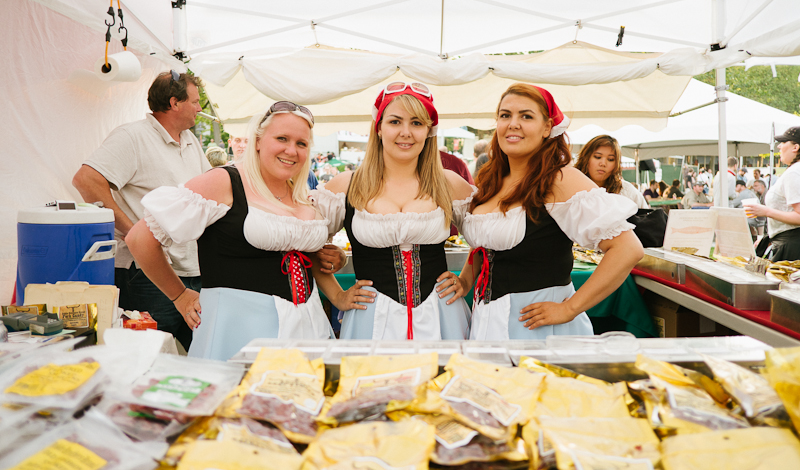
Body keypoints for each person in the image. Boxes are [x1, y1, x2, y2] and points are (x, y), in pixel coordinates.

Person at [125, 102, 355, 360]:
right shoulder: (224, 181)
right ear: (258, 140)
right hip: (239, 332)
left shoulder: (301, 195)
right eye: (282, 138)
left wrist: (334, 264)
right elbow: (140, 239)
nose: (291, 150)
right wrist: (179, 295)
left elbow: (299, 254)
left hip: (307, 327)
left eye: (301, 143)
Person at [452, 83, 643, 340]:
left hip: (537, 328)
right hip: (485, 320)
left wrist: (569, 309)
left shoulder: (559, 179)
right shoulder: (492, 181)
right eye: (505, 115)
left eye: (526, 116)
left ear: (547, 128)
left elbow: (627, 250)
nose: (513, 123)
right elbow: (487, 245)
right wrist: (465, 281)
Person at [311, 81, 474, 340]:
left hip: (441, 318)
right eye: (395, 121)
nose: (406, 132)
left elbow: (487, 240)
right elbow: (306, 246)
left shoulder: (450, 183)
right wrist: (337, 295)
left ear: (429, 131)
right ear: (379, 127)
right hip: (371, 320)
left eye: (417, 123)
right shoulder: (345, 185)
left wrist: (465, 279)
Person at [72, 71, 211, 350]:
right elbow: (86, 180)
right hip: (146, 273)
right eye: (195, 102)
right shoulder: (133, 136)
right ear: (174, 103)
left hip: (190, 270)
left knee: (193, 352)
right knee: (151, 355)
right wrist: (133, 232)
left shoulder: (190, 141)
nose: (199, 109)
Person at [745, 127, 800, 261]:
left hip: (792, 246)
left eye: (784, 142)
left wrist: (766, 211)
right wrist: (769, 237)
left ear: (796, 147)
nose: (779, 146)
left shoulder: (794, 172)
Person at [573, 134, 648, 208]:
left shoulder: (626, 191)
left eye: (610, 159)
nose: (603, 163)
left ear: (616, 164)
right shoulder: (570, 187)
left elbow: (646, 217)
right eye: (598, 157)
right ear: (586, 158)